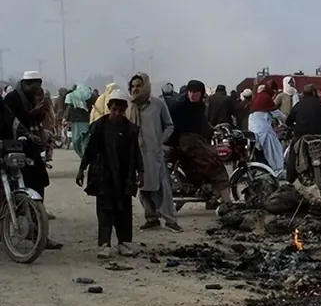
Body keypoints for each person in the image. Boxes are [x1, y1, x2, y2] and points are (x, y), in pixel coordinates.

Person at [76, 89, 144, 258]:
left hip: (123, 175)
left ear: (125, 109)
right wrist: (81, 169)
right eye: (114, 109)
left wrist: (140, 172)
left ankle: (124, 243)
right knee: (104, 210)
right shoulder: (99, 126)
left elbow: (135, 153)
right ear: (109, 107)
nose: (117, 113)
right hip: (103, 174)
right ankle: (105, 244)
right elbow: (90, 151)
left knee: (124, 210)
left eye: (120, 110)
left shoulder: (130, 129)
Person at [4, 71, 63, 237]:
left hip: (29, 147)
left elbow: (26, 122)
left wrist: (38, 113)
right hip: (13, 148)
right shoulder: (12, 99)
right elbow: (13, 122)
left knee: (38, 182)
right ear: (24, 84)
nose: (35, 90)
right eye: (32, 87)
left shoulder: (34, 97)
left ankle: (37, 227)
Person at [127, 73, 182, 233]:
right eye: (133, 86)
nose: (136, 89)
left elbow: (169, 125)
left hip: (154, 153)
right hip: (137, 153)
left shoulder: (157, 104)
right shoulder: (130, 107)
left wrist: (160, 141)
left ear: (146, 86)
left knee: (162, 188)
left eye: (139, 85)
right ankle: (151, 219)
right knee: (143, 188)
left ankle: (171, 221)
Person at [169, 80, 232, 204]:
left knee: (213, 161)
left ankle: (213, 197)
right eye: (190, 91)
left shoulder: (200, 107)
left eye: (196, 92)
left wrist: (214, 129)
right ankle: (227, 203)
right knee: (216, 166)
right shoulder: (180, 107)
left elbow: (202, 124)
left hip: (197, 141)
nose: (192, 95)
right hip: (188, 143)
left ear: (201, 93)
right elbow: (174, 127)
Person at [284, 84, 321, 183]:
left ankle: (290, 178)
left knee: (293, 153)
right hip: (319, 135)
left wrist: (293, 127)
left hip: (302, 135)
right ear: (314, 92)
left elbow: (288, 121)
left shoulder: (299, 105)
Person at [249, 78, 286, 173]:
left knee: (261, 151)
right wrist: (287, 121)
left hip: (253, 129)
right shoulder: (266, 98)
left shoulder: (258, 97)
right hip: (263, 130)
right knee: (276, 149)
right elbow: (277, 113)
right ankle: (277, 170)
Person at [65, 84, 93, 158]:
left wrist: (67, 119)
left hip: (76, 122)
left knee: (76, 141)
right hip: (87, 122)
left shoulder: (72, 97)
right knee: (85, 141)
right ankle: (84, 156)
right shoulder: (90, 97)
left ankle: (83, 156)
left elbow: (69, 109)